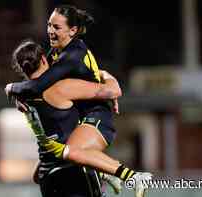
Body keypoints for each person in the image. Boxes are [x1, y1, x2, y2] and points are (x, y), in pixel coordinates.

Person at [6, 4, 152, 195]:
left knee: (70, 153)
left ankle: (131, 176)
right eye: (49, 25)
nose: (50, 30)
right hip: (84, 116)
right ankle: (105, 173)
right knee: (50, 165)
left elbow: (38, 85)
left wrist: (11, 88)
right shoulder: (56, 53)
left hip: (97, 117)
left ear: (72, 30)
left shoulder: (71, 56)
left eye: (56, 27)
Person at [9, 39, 123, 197]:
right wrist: (104, 74)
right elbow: (113, 90)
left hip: (46, 174)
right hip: (73, 171)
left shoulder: (23, 97)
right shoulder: (61, 88)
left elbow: (49, 135)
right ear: (43, 59)